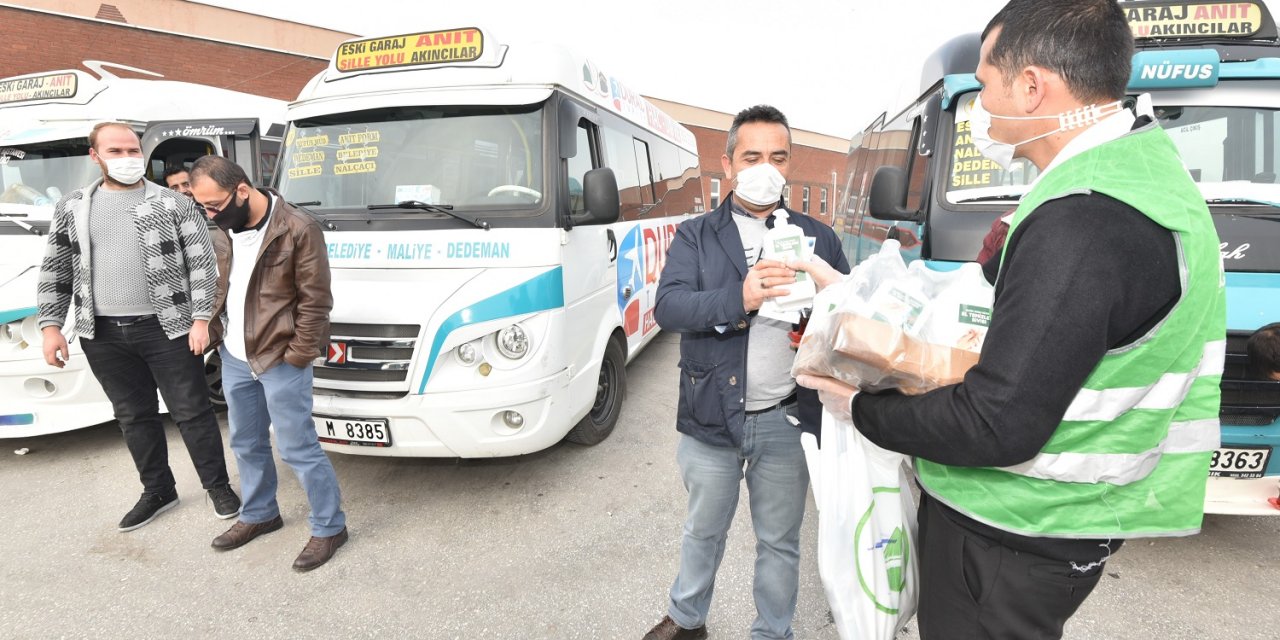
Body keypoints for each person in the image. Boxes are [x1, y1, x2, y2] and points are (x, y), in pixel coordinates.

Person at [796, 1, 1226, 637]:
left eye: (986, 84)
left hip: (1016, 532)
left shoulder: (1086, 219)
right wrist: (854, 294)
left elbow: (995, 424)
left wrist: (858, 410)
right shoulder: (1130, 173)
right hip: (1061, 522)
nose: (982, 108)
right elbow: (1005, 310)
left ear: (1032, 87)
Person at [643, 105, 850, 640]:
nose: (766, 167)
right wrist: (742, 296)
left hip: (785, 419)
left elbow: (850, 313)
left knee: (780, 541)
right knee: (702, 531)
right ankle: (687, 621)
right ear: (728, 162)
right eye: (752, 156)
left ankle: (772, 631)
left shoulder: (817, 236)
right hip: (712, 414)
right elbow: (670, 307)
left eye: (777, 157)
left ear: (790, 164)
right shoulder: (697, 235)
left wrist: (822, 318)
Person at [36, 122, 240, 532]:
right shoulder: (74, 206)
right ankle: (158, 489)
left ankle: (217, 486)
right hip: (103, 333)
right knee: (132, 416)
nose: (128, 158)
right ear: (95, 156)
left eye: (133, 150)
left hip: (168, 328)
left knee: (192, 413)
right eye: (116, 151)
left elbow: (203, 265)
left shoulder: (173, 204)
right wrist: (50, 325)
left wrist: (201, 319)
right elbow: (56, 267)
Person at [188, 154, 348, 572]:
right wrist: (209, 326)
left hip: (279, 358)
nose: (208, 214)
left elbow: (316, 303)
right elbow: (222, 282)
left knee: (297, 447)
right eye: (202, 206)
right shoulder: (224, 226)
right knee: (246, 441)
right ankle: (260, 514)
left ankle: (330, 526)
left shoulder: (297, 228)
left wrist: (297, 357)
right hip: (236, 357)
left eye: (214, 205)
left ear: (242, 190)